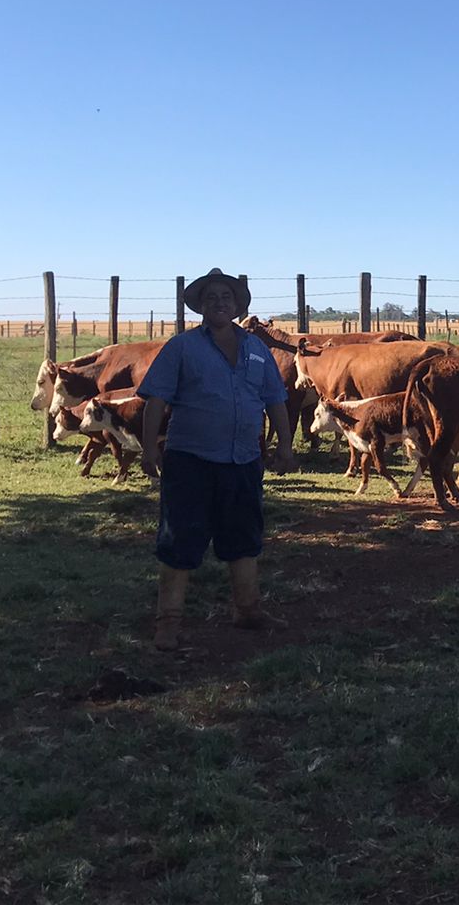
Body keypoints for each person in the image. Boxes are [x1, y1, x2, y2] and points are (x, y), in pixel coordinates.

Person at [138, 268, 295, 652]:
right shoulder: (182, 348)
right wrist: (147, 448)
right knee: (180, 537)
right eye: (211, 298)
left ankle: (248, 610)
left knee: (244, 536)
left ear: (238, 305)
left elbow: (275, 399)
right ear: (200, 307)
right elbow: (155, 399)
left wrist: (286, 447)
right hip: (190, 460)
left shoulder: (258, 350)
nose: (220, 303)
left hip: (242, 460)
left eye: (226, 297)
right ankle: (168, 624)